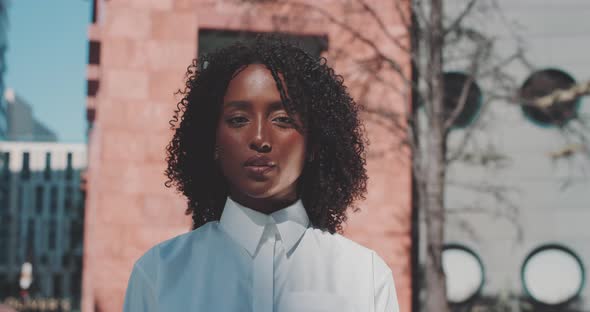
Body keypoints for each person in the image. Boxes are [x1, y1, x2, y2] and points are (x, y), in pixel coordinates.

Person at [123, 36, 399, 312]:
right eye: (238, 120)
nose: (259, 138)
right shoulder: (158, 275)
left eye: (282, 120)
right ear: (212, 140)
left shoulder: (367, 278)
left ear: (314, 144)